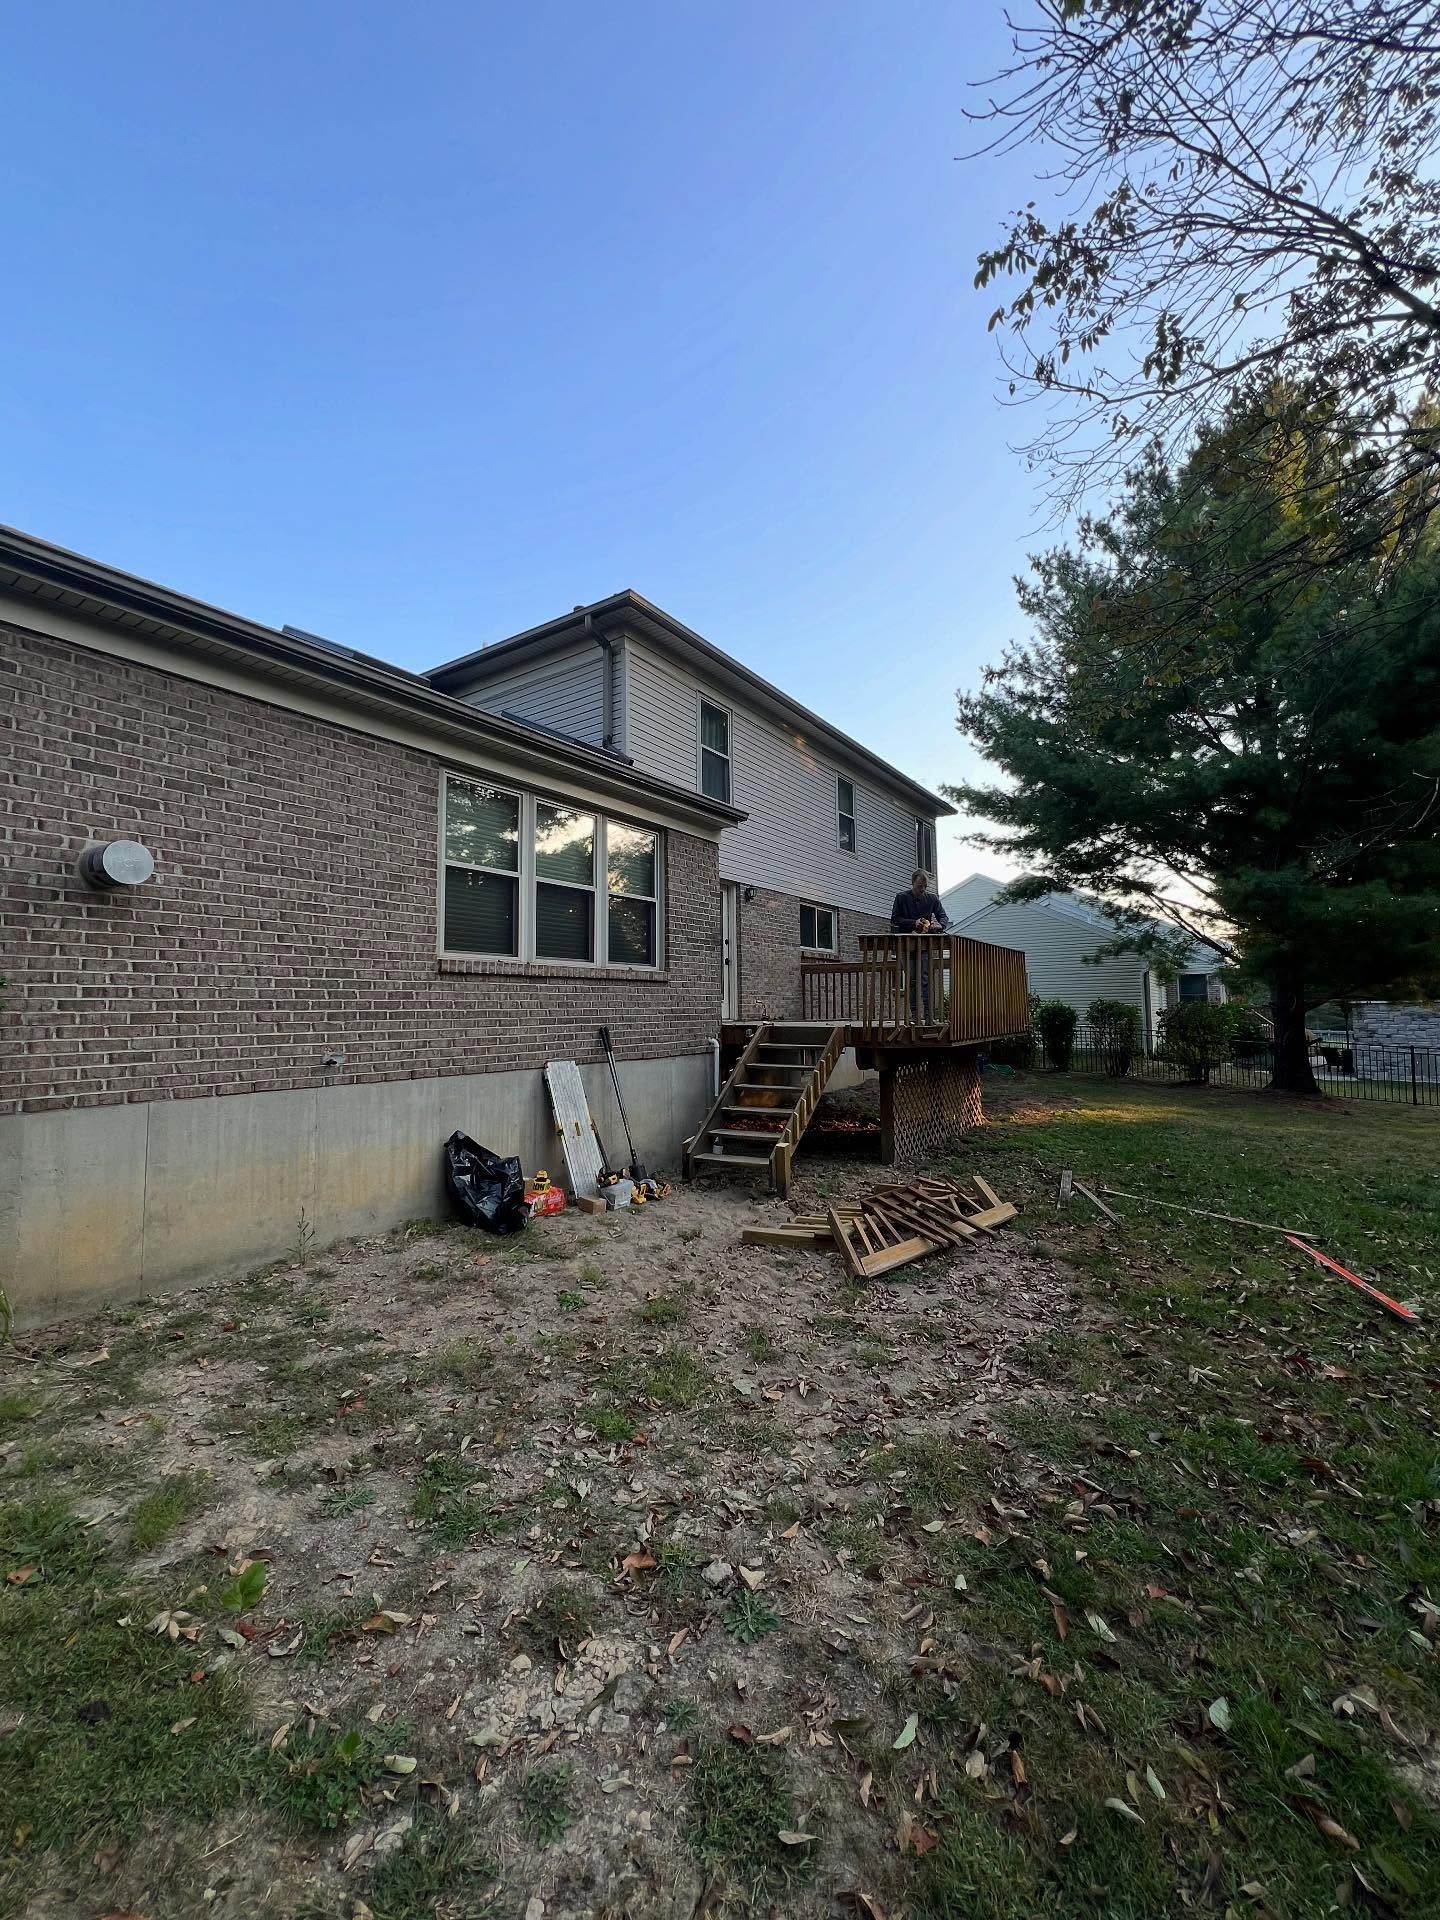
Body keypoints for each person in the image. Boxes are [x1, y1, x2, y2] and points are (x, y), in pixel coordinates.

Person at [889, 870, 950, 1023]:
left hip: (924, 945)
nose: (922, 889)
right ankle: (915, 1015)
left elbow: (943, 915)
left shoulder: (932, 899)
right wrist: (913, 922)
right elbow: (895, 919)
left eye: (924, 886)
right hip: (907, 946)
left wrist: (939, 924)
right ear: (913, 883)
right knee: (911, 980)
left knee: (925, 979)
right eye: (919, 886)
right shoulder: (902, 897)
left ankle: (929, 1016)